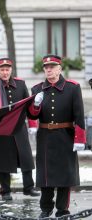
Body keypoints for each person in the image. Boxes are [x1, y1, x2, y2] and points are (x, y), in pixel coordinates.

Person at [28, 54, 86, 218]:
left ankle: (62, 209)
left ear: (59, 69)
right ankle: (46, 209)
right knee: (45, 177)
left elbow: (79, 115)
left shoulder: (72, 88)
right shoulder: (37, 89)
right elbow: (32, 116)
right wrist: (36, 105)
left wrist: (79, 138)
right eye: (46, 68)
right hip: (45, 137)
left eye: (52, 67)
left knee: (65, 176)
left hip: (66, 136)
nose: (49, 70)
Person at [0, 58, 40, 201]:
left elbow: (28, 105)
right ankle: (5, 190)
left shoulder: (20, 84)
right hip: (2, 129)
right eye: (2, 69)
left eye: (7, 69)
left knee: (25, 158)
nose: (5, 72)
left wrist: (32, 124)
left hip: (19, 127)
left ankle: (28, 188)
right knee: (4, 161)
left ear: (11, 70)